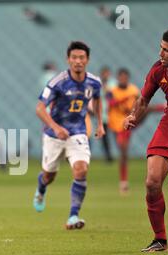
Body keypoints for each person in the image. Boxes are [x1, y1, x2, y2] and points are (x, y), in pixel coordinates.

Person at [123, 28, 168, 252]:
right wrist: (133, 116)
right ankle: (160, 240)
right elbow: (143, 99)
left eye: (166, 50)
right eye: (161, 47)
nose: (161, 53)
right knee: (152, 182)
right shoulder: (159, 69)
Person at [33, 41, 105, 230]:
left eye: (82, 57)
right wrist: (56, 127)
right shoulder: (57, 82)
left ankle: (73, 216)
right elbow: (40, 109)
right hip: (54, 135)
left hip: (78, 133)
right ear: (68, 60)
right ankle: (41, 190)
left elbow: (97, 100)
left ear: (87, 60)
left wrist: (100, 123)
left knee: (81, 170)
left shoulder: (94, 82)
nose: (78, 61)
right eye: (74, 58)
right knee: (49, 175)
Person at [108, 68, 140, 194]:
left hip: (127, 123)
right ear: (118, 78)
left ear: (128, 78)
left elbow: (140, 103)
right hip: (115, 123)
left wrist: (133, 110)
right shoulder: (112, 91)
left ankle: (123, 181)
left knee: (123, 150)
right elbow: (110, 103)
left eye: (125, 77)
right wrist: (126, 98)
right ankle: (123, 180)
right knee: (122, 151)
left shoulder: (134, 90)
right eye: (121, 77)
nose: (123, 79)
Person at [99, 66, 116, 162]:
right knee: (104, 137)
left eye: (107, 73)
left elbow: (114, 95)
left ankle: (120, 152)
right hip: (103, 114)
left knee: (116, 134)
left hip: (114, 114)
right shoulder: (98, 84)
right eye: (103, 73)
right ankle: (108, 156)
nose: (105, 75)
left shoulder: (113, 83)